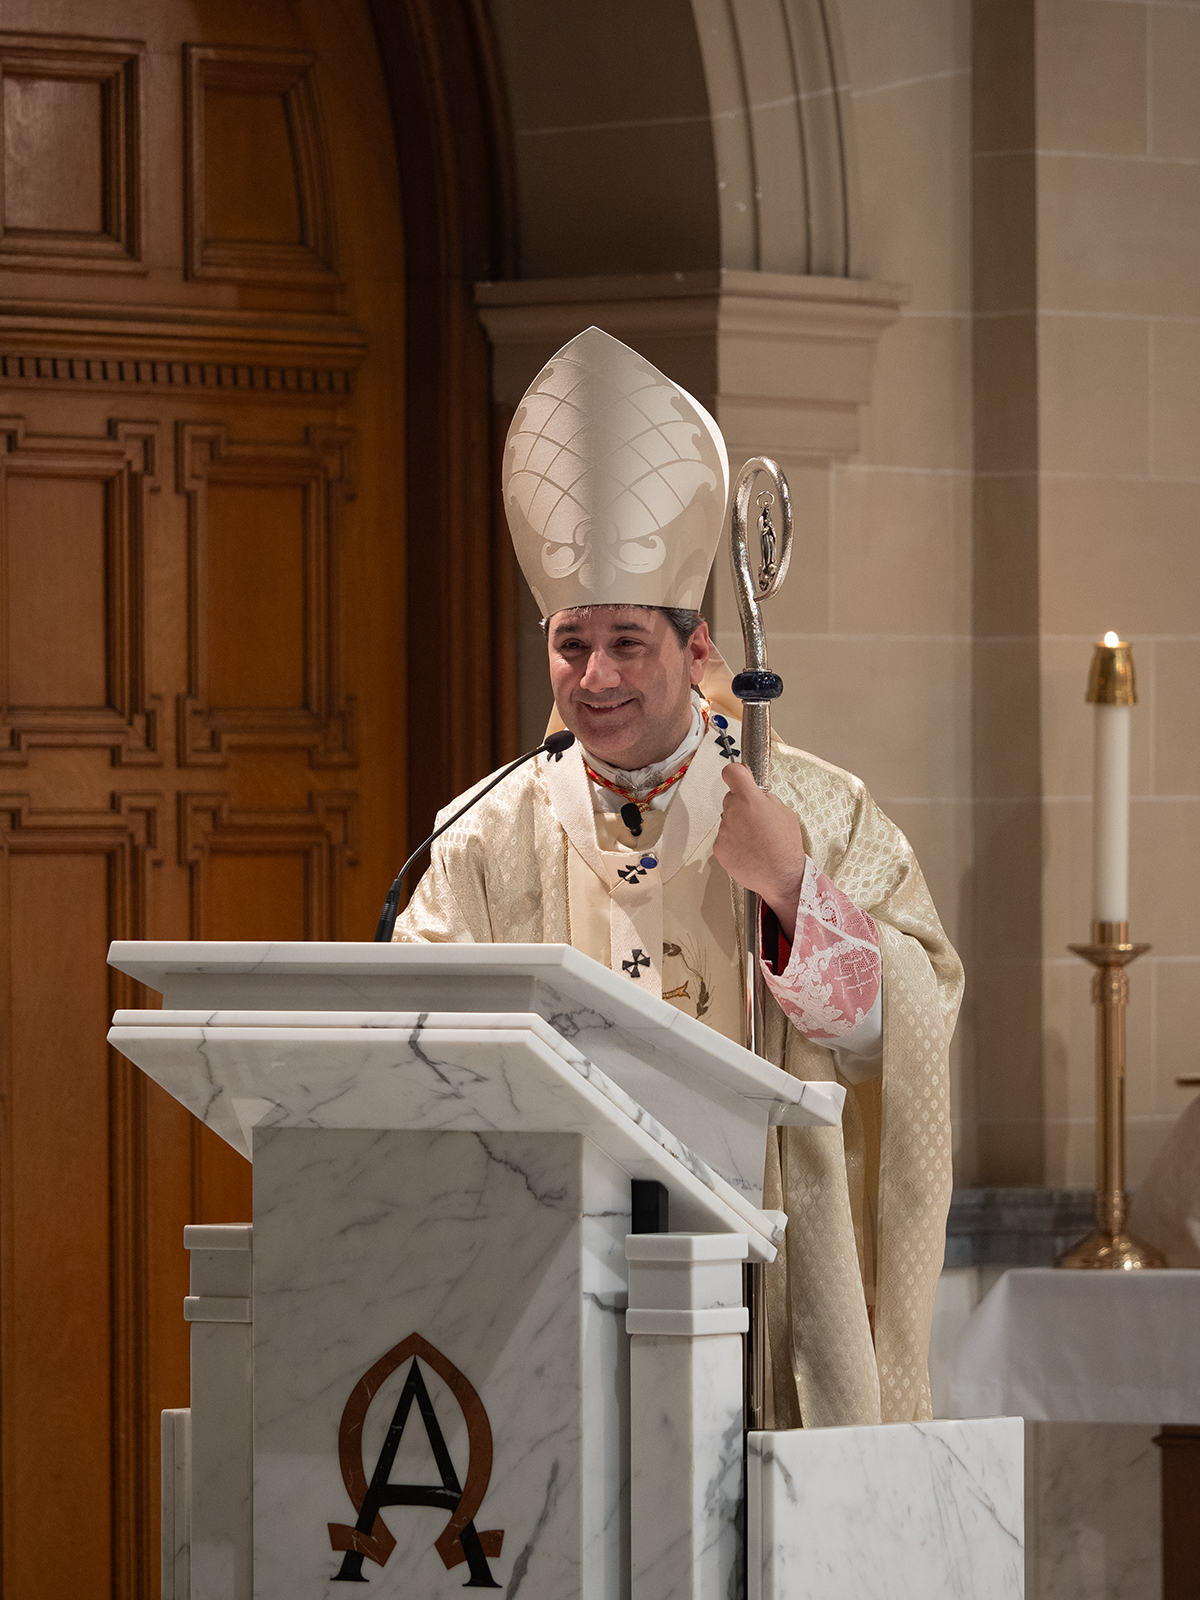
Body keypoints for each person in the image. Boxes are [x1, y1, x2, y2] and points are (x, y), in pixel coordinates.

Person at [396, 327, 963, 1428]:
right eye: (570, 645)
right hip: (548, 1291)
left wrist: (796, 892)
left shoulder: (818, 812)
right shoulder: (485, 836)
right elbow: (415, 1042)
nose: (594, 677)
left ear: (697, 648)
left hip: (770, 1297)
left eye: (627, 643)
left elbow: (918, 1023)